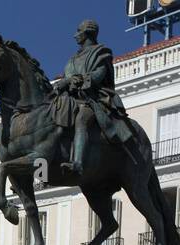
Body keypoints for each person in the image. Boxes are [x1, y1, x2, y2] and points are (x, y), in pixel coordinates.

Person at [51, 19, 133, 177]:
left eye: (79, 32)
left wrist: (79, 80)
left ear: (88, 33)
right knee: (51, 119)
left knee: (81, 120)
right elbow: (68, 78)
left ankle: (78, 164)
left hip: (93, 99)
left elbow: (98, 75)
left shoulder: (101, 53)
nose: (75, 36)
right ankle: (43, 172)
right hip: (72, 99)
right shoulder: (73, 59)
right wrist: (65, 83)